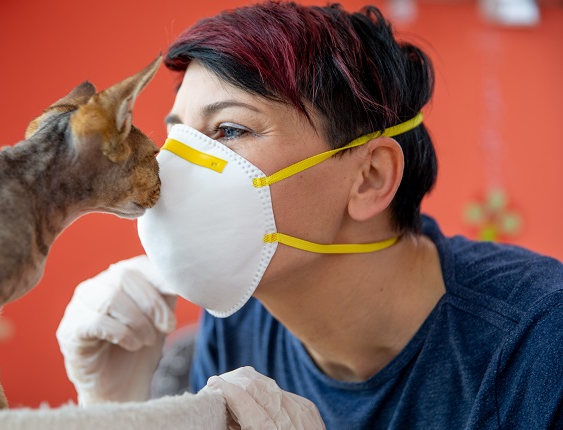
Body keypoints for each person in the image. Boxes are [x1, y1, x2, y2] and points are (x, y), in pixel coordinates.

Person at [56, 2, 563, 429]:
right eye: (178, 137)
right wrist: (116, 409)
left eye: (229, 130)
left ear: (369, 178)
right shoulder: (236, 324)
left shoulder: (539, 343)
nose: (168, 172)